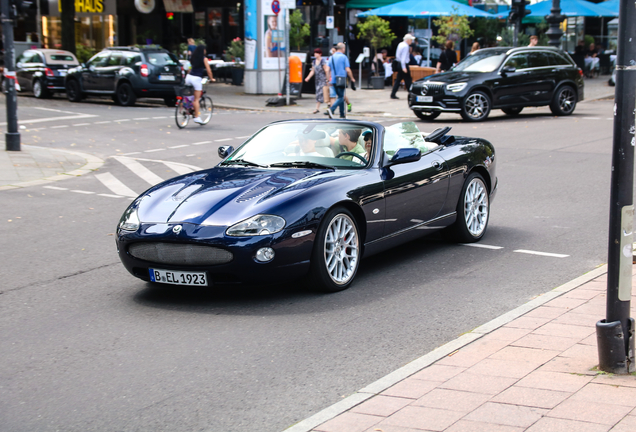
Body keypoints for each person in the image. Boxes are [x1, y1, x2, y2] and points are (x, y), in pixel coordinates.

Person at [186, 45, 216, 124]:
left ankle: (186, 108)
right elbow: (209, 71)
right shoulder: (204, 59)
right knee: (196, 99)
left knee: (187, 96)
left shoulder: (192, 57)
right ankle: (196, 117)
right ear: (203, 51)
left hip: (188, 77)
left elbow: (189, 68)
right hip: (196, 79)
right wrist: (212, 78)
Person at [326, 43, 355, 119]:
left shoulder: (331, 57)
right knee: (341, 97)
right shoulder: (344, 57)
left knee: (340, 96)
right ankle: (332, 109)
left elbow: (327, 69)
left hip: (333, 80)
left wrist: (327, 79)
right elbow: (348, 69)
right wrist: (352, 78)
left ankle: (342, 114)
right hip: (341, 78)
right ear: (342, 49)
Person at [305, 48, 330, 114]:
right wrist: (308, 77)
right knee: (319, 93)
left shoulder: (322, 61)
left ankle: (322, 107)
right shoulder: (314, 62)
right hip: (317, 80)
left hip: (323, 79)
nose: (315, 54)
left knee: (322, 93)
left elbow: (326, 70)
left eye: (316, 53)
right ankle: (325, 106)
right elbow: (312, 71)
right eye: (315, 53)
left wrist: (327, 79)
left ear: (320, 54)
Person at [390, 33, 415, 100]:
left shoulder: (400, 44)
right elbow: (403, 58)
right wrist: (404, 67)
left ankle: (393, 94)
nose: (411, 41)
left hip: (399, 63)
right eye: (411, 40)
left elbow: (398, 56)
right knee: (408, 80)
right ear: (408, 40)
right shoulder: (406, 46)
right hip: (403, 64)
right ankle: (411, 94)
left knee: (398, 80)